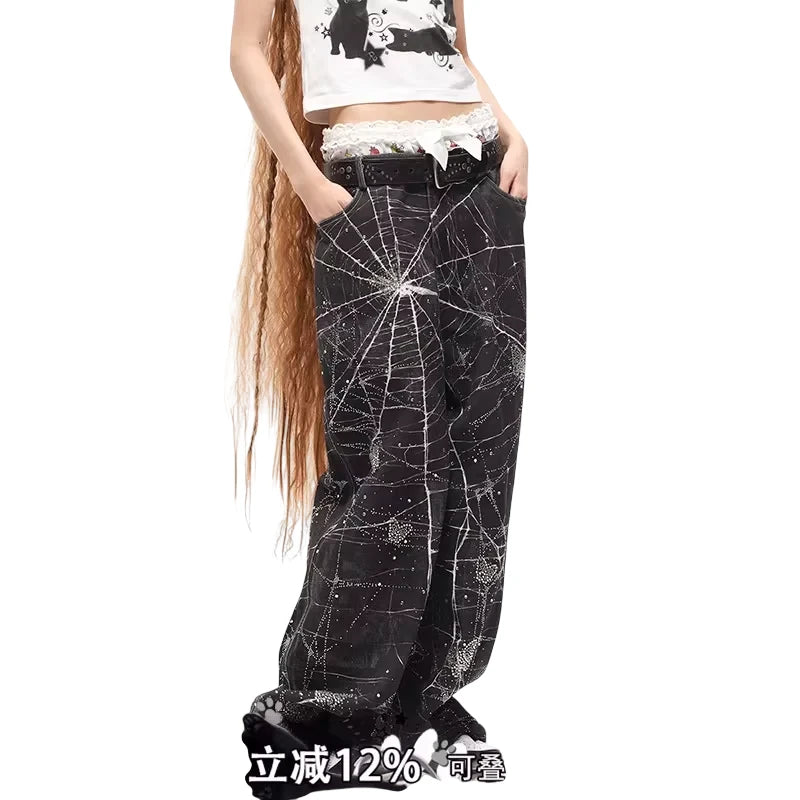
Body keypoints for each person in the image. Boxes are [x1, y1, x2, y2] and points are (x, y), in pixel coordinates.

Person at [229, 0, 528, 793]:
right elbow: (247, 51)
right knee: (388, 451)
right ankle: (326, 711)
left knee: (482, 448)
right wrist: (305, 179)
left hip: (478, 178)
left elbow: (452, 45)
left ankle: (420, 694)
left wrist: (513, 133)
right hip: (370, 188)